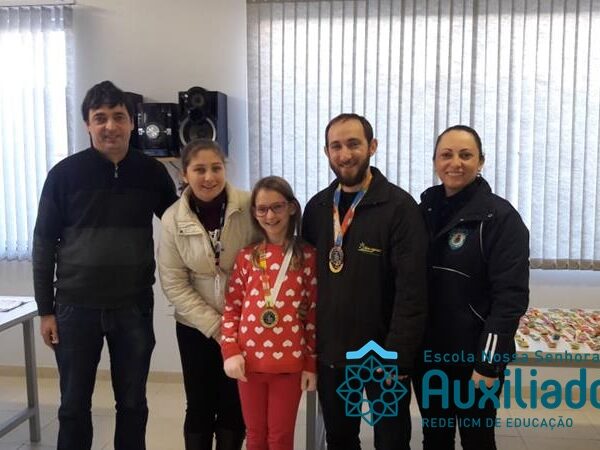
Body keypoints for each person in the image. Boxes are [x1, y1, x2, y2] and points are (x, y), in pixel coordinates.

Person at [32, 80, 178, 450]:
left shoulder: (152, 173)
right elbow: (43, 244)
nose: (110, 126)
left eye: (118, 116)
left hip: (133, 307)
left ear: (131, 122)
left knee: (132, 404)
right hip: (74, 309)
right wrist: (46, 311)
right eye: (100, 118)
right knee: (72, 407)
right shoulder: (63, 175)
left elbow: (181, 226)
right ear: (88, 124)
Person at [302, 113, 428, 450]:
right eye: (336, 146)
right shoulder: (317, 208)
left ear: (372, 146)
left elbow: (412, 291)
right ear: (326, 152)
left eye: (353, 144)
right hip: (332, 354)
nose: (345, 155)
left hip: (383, 356)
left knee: (391, 441)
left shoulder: (400, 208)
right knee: (340, 440)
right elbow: (307, 285)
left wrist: (398, 356)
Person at [413, 125, 529, 450]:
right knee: (435, 437)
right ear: (435, 161)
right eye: (446, 155)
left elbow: (510, 299)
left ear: (481, 161)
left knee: (477, 439)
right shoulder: (423, 212)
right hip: (430, 357)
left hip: (474, 358)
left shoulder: (501, 219)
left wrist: (488, 363)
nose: (456, 163)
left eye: (466, 155)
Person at [158, 139, 258, 450]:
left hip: (243, 325)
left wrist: (237, 325)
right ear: (184, 174)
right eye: (199, 170)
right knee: (199, 404)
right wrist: (217, 328)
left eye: (216, 168)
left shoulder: (249, 205)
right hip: (195, 327)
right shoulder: (173, 219)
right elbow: (174, 283)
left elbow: (266, 262)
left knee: (234, 402)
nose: (209, 177)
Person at [221, 176, 317, 450]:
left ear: (291, 208)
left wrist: (310, 363)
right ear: (254, 212)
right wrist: (230, 350)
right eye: (262, 209)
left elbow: (313, 315)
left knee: (280, 438)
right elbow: (232, 308)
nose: (270, 216)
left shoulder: (307, 257)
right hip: (248, 364)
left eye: (277, 207)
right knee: (254, 436)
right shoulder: (247, 256)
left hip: (288, 365)